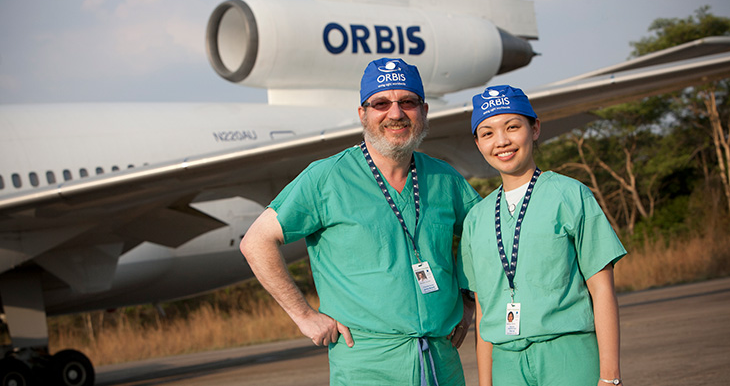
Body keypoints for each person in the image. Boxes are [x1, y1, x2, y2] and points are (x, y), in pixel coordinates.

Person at [240, 57, 481, 385]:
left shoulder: (444, 177)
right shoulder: (327, 178)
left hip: (441, 361)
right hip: (367, 365)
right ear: (363, 114)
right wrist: (304, 316)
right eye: (381, 103)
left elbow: (480, 233)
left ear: (423, 111)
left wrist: (469, 299)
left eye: (407, 102)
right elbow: (256, 240)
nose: (395, 113)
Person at [458, 85, 626, 386]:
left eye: (512, 127)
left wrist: (610, 377)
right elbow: (483, 310)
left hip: (568, 355)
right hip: (505, 362)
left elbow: (602, 291)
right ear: (478, 143)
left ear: (534, 128)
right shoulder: (476, 219)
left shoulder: (570, 195)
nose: (502, 141)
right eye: (488, 133)